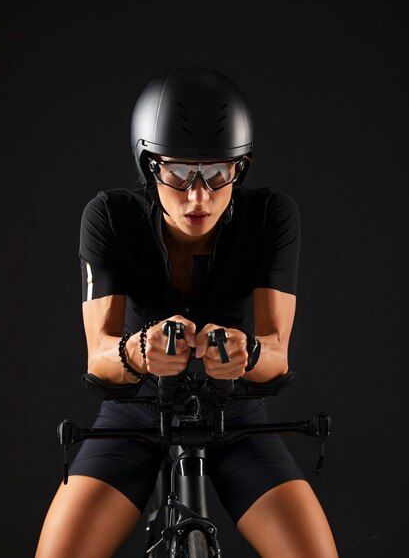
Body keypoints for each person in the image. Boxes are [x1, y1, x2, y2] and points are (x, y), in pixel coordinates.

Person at [35, 65, 338, 557]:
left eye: (218, 173)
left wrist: (249, 353)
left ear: (241, 168)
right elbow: (98, 357)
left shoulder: (271, 216)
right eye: (178, 173)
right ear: (148, 164)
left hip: (234, 414)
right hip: (133, 414)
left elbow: (278, 355)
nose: (199, 196)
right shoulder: (109, 216)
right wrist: (137, 353)